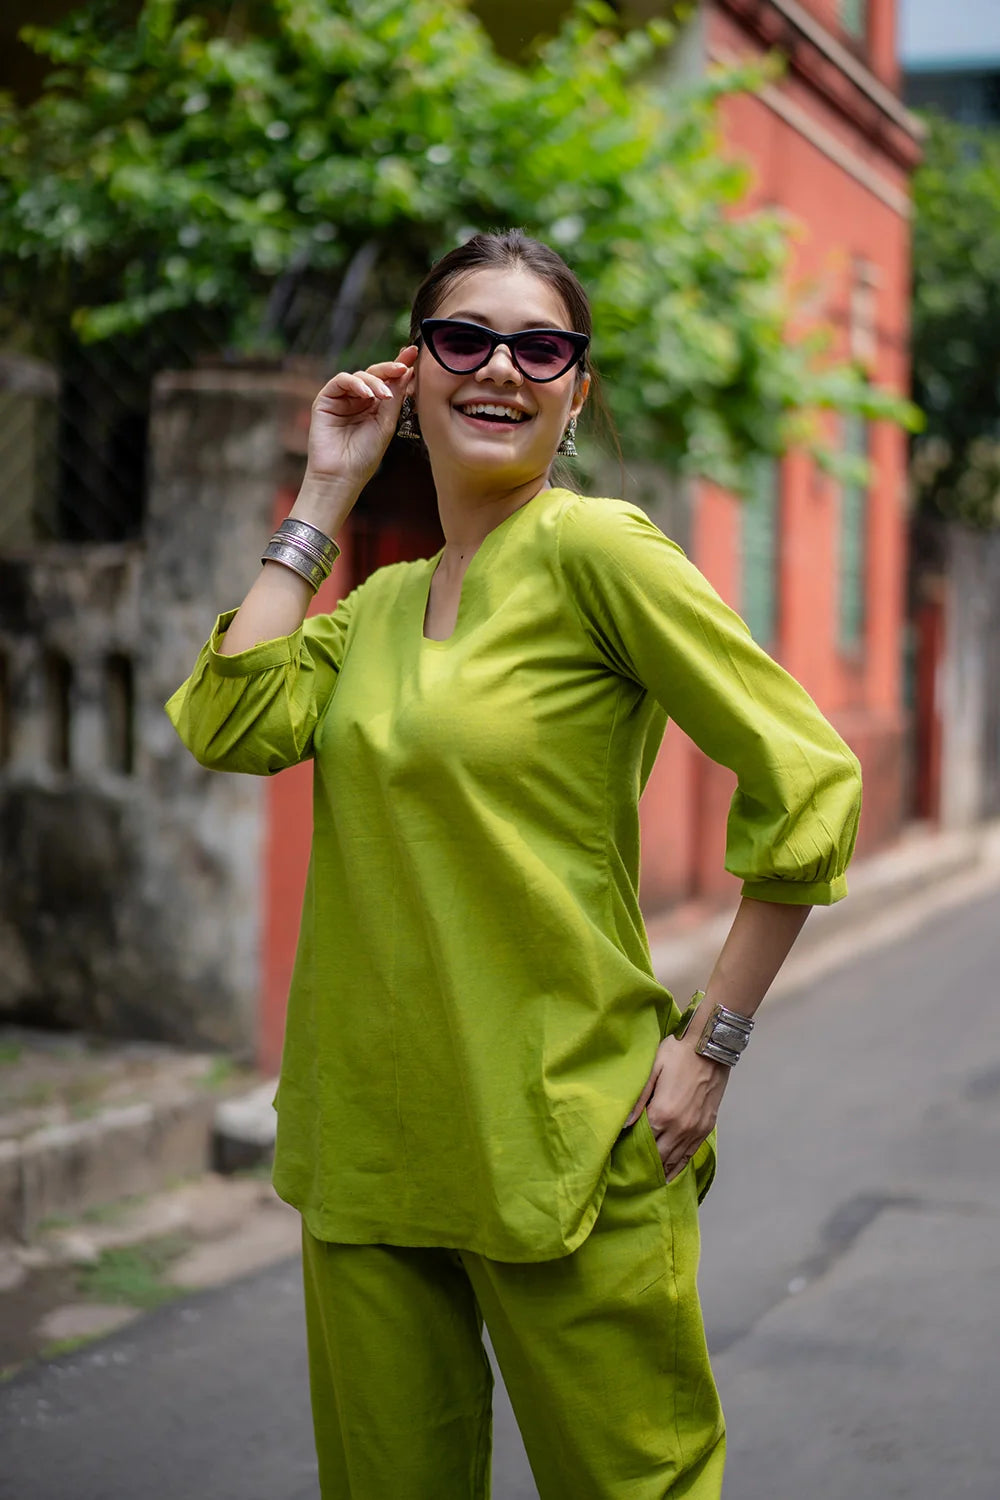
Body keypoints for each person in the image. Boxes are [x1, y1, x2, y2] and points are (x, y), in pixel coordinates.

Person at [167, 229, 862, 1499]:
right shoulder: (378, 605)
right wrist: (322, 494)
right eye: (464, 338)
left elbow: (807, 776)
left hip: (565, 1134)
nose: (500, 366)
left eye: (541, 348)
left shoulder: (599, 551)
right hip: (371, 1146)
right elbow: (231, 722)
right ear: (413, 375)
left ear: (575, 392)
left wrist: (711, 1044)